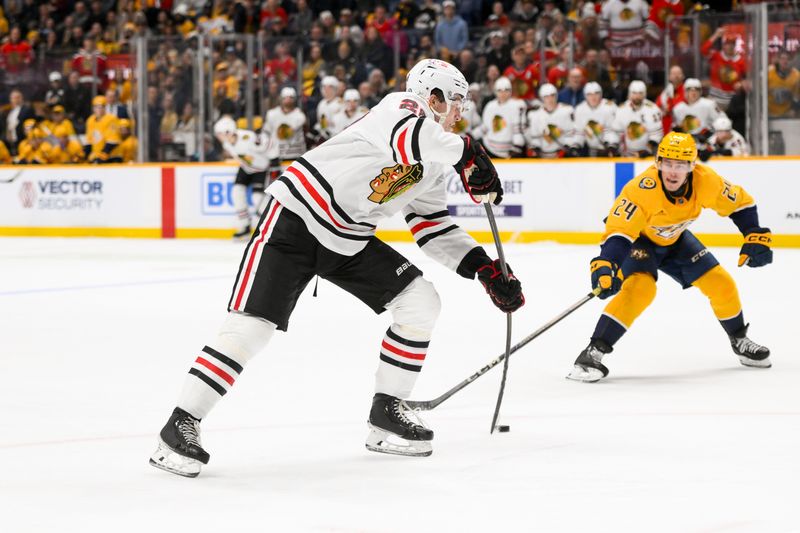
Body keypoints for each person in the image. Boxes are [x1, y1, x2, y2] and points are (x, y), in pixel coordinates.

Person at [149, 59, 524, 477]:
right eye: (456, 101)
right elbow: (410, 139)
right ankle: (180, 424)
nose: (460, 112)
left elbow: (431, 226)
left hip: (348, 239)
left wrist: (484, 268)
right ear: (433, 97)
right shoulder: (402, 108)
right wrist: (467, 151)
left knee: (420, 301)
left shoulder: (436, 159)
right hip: (296, 219)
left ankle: (386, 412)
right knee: (250, 329)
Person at [567, 132, 772, 383]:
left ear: (692, 166)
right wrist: (607, 263)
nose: (673, 172)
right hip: (640, 241)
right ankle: (592, 353)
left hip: (674, 239)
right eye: (668, 163)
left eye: (681, 165)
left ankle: (740, 340)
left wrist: (753, 232)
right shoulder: (641, 190)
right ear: (658, 162)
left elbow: (741, 204)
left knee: (721, 283)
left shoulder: (706, 181)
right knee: (641, 289)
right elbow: (620, 231)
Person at [213, 115, 280, 239]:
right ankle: (244, 225)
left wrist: (275, 162)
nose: (218, 137)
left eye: (219, 134)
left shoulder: (248, 138)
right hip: (246, 168)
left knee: (257, 198)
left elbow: (269, 143)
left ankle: (271, 228)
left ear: (228, 132)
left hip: (261, 169)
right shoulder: (227, 144)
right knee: (237, 192)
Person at [525, 83, 580, 158]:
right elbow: (535, 137)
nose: (550, 99)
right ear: (542, 98)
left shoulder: (566, 111)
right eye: (546, 97)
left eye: (552, 95)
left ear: (556, 96)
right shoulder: (535, 114)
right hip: (541, 157)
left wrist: (567, 148)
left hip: (561, 156)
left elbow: (570, 134)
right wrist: (534, 149)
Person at [671, 78, 725, 150]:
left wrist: (711, 134)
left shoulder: (709, 104)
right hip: (686, 145)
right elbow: (675, 129)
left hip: (707, 143)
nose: (693, 93)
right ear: (685, 91)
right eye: (690, 90)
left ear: (700, 91)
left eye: (696, 89)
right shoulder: (678, 108)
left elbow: (723, 122)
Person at [613, 80, 663, 157]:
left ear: (645, 94)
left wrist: (647, 150)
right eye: (634, 93)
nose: (637, 96)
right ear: (629, 94)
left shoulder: (653, 109)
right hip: (626, 154)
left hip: (647, 154)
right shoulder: (621, 109)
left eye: (640, 93)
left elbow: (656, 134)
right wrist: (614, 149)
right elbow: (617, 133)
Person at [479, 76, 527, 158]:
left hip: (510, 151)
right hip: (490, 149)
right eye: (499, 90)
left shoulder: (517, 106)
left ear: (510, 91)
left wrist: (516, 147)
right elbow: (485, 127)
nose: (503, 93)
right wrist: (471, 135)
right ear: (495, 91)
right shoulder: (490, 106)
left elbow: (519, 131)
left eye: (506, 90)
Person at [573, 81, 619, 157]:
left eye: (596, 93)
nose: (593, 97)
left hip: (609, 149)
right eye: (589, 94)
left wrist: (612, 144)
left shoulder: (610, 107)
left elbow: (613, 130)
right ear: (585, 95)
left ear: (601, 94)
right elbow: (579, 132)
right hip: (590, 150)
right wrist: (575, 145)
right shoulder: (580, 109)